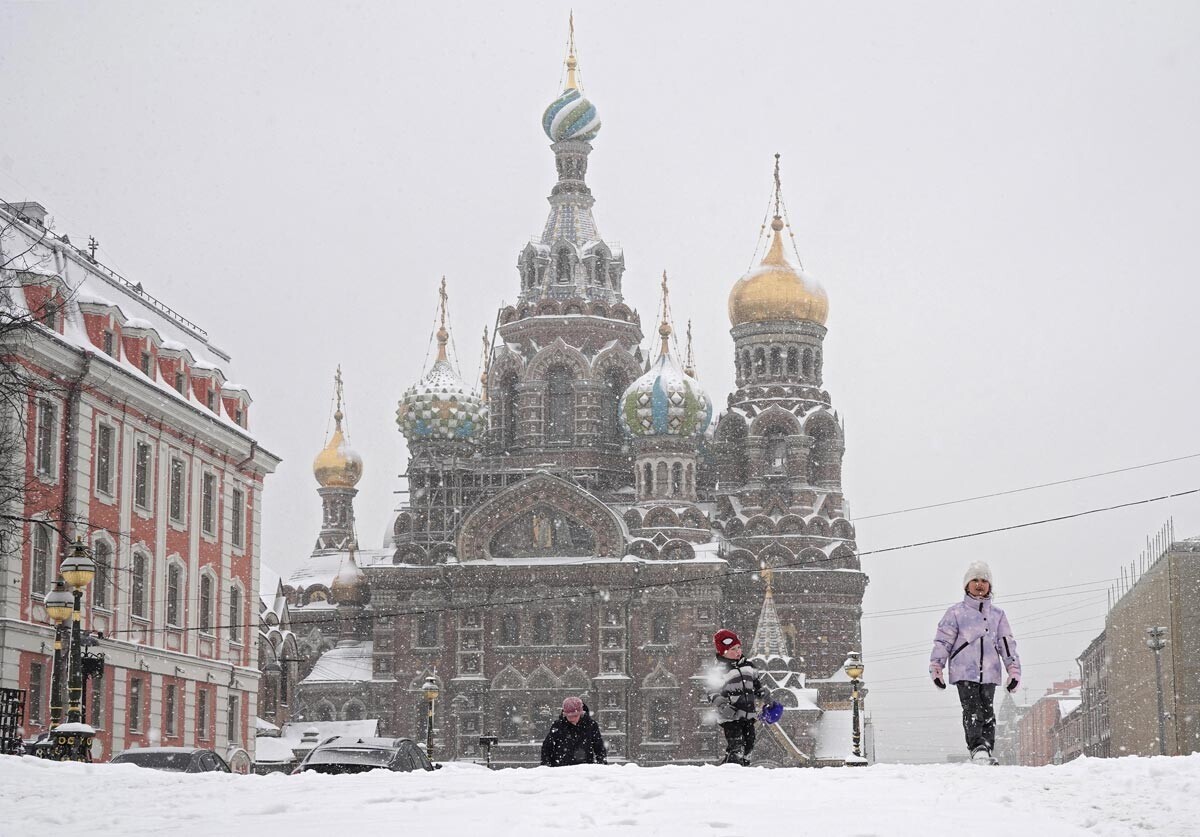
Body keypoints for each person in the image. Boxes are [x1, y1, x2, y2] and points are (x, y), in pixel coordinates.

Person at [929, 561, 1021, 765]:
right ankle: (977, 746)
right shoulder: (956, 613)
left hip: (989, 671)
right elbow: (943, 641)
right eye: (975, 580)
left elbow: (1006, 644)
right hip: (964, 671)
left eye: (984, 580)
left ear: (990, 586)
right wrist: (937, 667)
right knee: (972, 709)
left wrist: (1013, 671)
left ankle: (986, 748)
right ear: (966, 585)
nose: (979, 584)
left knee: (988, 710)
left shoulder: (997, 615)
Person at [706, 628, 780, 766]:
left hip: (749, 715)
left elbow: (757, 686)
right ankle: (731, 770)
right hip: (731, 716)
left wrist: (766, 697)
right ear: (723, 652)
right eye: (733, 649)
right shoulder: (719, 671)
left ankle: (743, 768)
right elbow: (711, 692)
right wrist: (723, 706)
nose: (738, 651)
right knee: (736, 745)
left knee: (749, 744)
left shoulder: (749, 666)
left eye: (739, 647)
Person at [540, 696, 607, 766]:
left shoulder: (591, 725)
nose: (572, 719)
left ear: (581, 713)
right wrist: (546, 765)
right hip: (560, 769)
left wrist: (601, 765)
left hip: (584, 769)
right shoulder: (558, 726)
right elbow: (547, 747)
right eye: (569, 716)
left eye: (575, 716)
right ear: (564, 714)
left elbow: (599, 747)